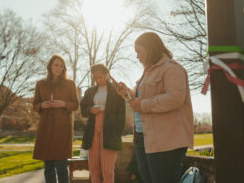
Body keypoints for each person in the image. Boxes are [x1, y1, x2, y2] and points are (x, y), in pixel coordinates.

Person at [117, 32, 194, 183]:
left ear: (150, 48)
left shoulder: (172, 69)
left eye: (138, 51)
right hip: (143, 138)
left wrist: (142, 105)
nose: (137, 56)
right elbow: (141, 101)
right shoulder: (147, 72)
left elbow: (176, 98)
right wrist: (127, 93)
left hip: (166, 141)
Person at [33, 55, 79, 183]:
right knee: (48, 167)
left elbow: (75, 104)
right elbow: (34, 105)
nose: (59, 68)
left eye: (61, 65)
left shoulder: (70, 84)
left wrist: (63, 104)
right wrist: (42, 105)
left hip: (62, 129)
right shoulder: (40, 84)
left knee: (61, 166)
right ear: (50, 67)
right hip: (45, 128)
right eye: (56, 65)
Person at [81, 64, 126, 183]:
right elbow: (83, 108)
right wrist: (90, 110)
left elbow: (121, 114)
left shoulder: (117, 91)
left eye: (100, 77)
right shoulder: (89, 91)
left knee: (107, 168)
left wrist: (117, 132)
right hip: (93, 129)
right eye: (95, 78)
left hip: (110, 130)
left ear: (107, 75)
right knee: (94, 168)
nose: (98, 80)